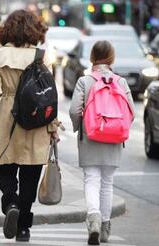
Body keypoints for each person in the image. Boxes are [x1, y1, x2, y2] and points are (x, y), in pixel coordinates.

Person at [0, 10, 60, 242]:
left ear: (8, 29)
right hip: (36, 117)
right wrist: (53, 125)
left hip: (9, 114)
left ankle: (10, 201)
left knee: (6, 164)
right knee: (30, 172)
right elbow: (49, 93)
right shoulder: (41, 55)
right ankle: (24, 227)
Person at [69, 41, 135, 245]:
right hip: (114, 138)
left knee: (91, 180)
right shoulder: (121, 82)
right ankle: (105, 228)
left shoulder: (84, 81)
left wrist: (79, 127)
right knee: (107, 183)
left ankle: (94, 219)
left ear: (92, 58)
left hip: (91, 137)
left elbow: (73, 110)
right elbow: (130, 111)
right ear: (111, 58)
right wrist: (117, 128)